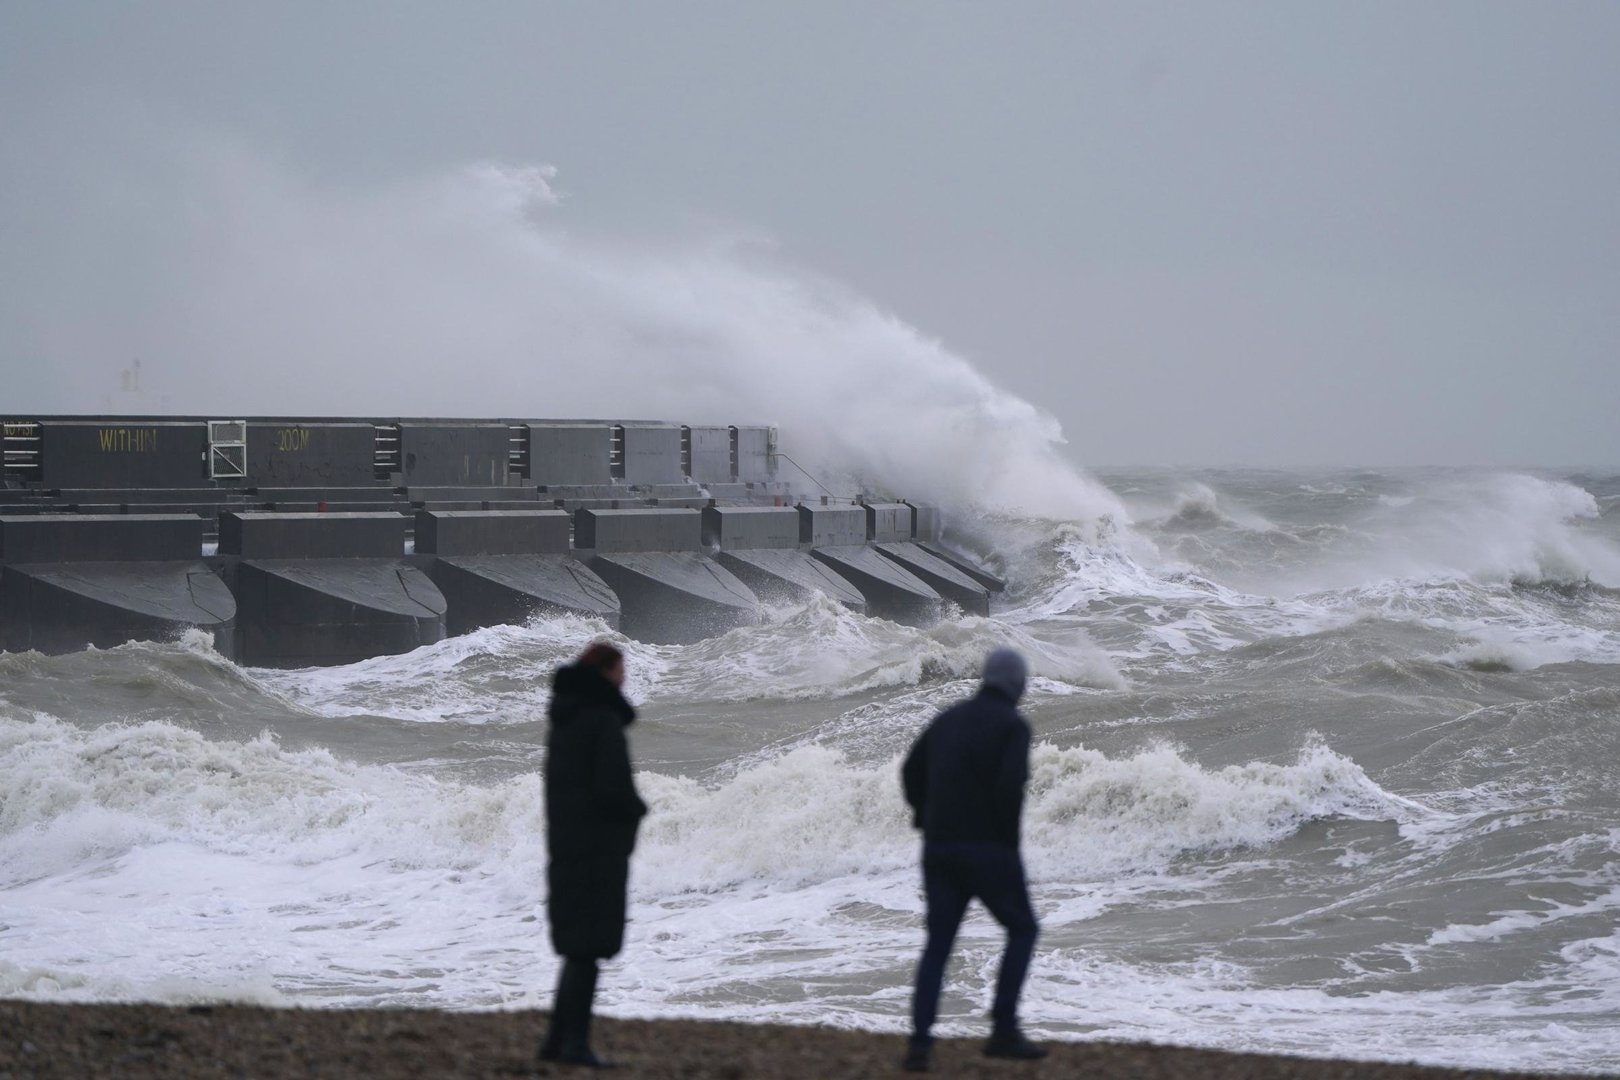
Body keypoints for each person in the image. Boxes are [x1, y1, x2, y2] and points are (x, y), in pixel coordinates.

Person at [900, 648, 1045, 1072]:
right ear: (1017, 684)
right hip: (986, 849)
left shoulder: (948, 718)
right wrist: (1008, 846)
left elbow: (911, 770)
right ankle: (1003, 1030)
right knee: (1022, 929)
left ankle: (920, 1045)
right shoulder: (1013, 725)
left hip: (939, 848)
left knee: (938, 946)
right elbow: (1009, 787)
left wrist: (925, 817)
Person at [539, 642, 648, 1069]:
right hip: (597, 849)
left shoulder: (565, 719)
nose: (625, 677)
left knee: (577, 949)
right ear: (607, 672)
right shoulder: (602, 720)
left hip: (567, 845)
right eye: (622, 669)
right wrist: (636, 812)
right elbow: (612, 790)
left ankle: (556, 1041)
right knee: (588, 947)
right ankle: (575, 1046)